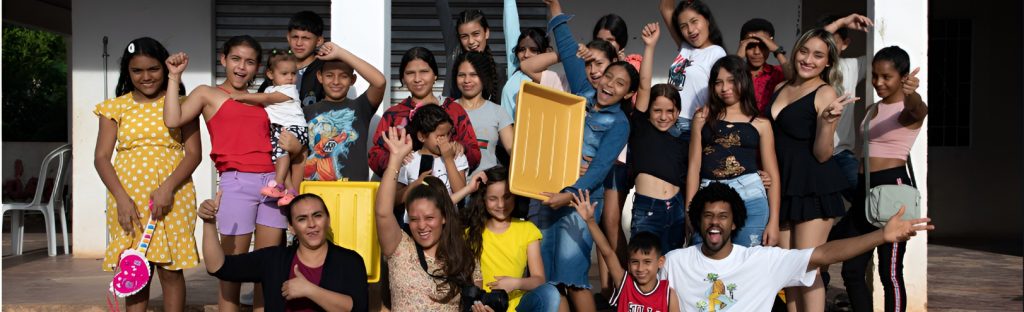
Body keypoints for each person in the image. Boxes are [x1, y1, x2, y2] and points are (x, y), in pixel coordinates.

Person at [519, 1, 636, 309]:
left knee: (573, 278)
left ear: (627, 93)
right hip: (547, 192)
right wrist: (556, 9)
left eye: (620, 84)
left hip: (579, 203)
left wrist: (568, 194)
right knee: (546, 279)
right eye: (608, 77)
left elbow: (598, 171)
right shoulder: (583, 89)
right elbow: (569, 48)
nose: (609, 85)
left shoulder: (620, 124)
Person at [661, 182, 932, 312]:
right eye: (708, 216)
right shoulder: (675, 262)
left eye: (723, 216)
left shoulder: (761, 261)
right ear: (698, 220)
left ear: (735, 223)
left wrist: (881, 236)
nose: (714, 223)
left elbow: (823, 254)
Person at [162, 36, 287, 311]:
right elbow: (173, 119)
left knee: (268, 270)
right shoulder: (207, 93)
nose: (241, 67)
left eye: (249, 62)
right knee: (231, 269)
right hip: (236, 182)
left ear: (258, 68)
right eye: (235, 59)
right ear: (223, 60)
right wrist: (174, 77)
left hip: (273, 184)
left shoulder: (264, 99)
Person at [94, 37, 200, 312]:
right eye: (137, 70)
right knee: (134, 269)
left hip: (173, 196)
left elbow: (193, 154)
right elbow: (101, 158)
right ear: (127, 72)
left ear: (164, 68)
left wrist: (167, 188)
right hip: (128, 200)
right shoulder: (114, 107)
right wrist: (121, 199)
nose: (146, 76)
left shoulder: (183, 104)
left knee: (170, 270)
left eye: (153, 68)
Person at [765, 28, 857, 312]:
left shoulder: (825, 92)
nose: (808, 60)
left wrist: (827, 123)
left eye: (818, 55)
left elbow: (823, 154)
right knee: (788, 272)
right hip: (783, 187)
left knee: (808, 269)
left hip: (813, 187)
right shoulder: (780, 88)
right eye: (804, 52)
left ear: (828, 62)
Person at [832, 46, 927, 312]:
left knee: (890, 272)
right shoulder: (872, 108)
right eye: (875, 75)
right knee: (852, 270)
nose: (878, 82)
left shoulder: (908, 108)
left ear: (903, 77)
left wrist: (912, 94)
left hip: (893, 189)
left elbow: (918, 110)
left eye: (886, 77)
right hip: (865, 190)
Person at [199, 192, 369, 311]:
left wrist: (310, 290)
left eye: (317, 215)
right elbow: (218, 267)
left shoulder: (350, 261)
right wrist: (209, 223)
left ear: (328, 220)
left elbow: (358, 308)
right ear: (291, 227)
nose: (311, 224)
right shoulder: (273, 259)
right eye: (302, 219)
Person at [375, 126, 482, 311]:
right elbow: (383, 212)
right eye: (414, 219)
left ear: (444, 217)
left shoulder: (463, 255)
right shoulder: (399, 247)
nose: (422, 225)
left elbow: (475, 302)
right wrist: (395, 160)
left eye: (429, 217)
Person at [686, 56, 781, 248]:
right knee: (706, 260)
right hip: (708, 197)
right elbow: (694, 167)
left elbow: (773, 174)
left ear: (743, 80)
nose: (725, 88)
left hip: (751, 198)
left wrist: (774, 222)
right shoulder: (702, 117)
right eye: (718, 82)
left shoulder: (761, 123)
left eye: (731, 80)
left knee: (747, 262)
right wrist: (689, 211)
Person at [454, 166, 563, 312]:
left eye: (507, 197)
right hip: (483, 307)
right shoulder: (470, 232)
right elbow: (438, 211)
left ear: (515, 196)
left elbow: (539, 280)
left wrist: (515, 283)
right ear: (483, 199)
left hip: (518, 307)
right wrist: (468, 188)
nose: (501, 205)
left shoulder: (527, 229)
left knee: (550, 293)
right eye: (493, 199)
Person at [367, 47, 481, 178]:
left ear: (435, 75)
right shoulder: (392, 115)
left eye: (424, 72)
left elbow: (475, 154)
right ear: (403, 78)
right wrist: (394, 158)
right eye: (410, 73)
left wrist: (462, 148)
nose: (417, 79)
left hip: (447, 189)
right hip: (404, 188)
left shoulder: (454, 110)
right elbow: (374, 155)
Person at [627, 23, 688, 253]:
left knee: (671, 266)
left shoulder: (682, 141)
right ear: (648, 111)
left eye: (670, 111)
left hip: (677, 210)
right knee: (643, 265)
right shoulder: (641, 128)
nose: (664, 117)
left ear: (678, 112)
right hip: (648, 209)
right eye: (657, 110)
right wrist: (650, 47)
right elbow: (644, 85)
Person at [572, 189, 680, 312]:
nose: (640, 268)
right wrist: (590, 221)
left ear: (660, 262)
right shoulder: (625, 283)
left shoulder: (668, 294)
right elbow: (607, 253)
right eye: (635, 262)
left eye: (647, 262)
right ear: (628, 263)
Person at [298, 42, 387, 182]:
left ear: (352, 79)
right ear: (320, 77)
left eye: (343, 76)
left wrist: (340, 53)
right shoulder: (305, 112)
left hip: (355, 190)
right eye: (329, 75)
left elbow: (379, 82)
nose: (336, 82)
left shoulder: (361, 107)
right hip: (314, 191)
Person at [232, 50, 307, 206]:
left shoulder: (289, 89)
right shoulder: (268, 89)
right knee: (279, 159)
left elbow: (267, 98)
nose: (290, 77)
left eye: (293, 73)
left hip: (295, 128)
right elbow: (263, 100)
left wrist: (242, 96)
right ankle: (290, 192)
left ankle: (278, 184)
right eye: (284, 73)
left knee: (281, 153)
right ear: (270, 74)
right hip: (279, 129)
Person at [819, 13, 876, 195]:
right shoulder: (808, 69)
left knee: (864, 199)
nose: (828, 49)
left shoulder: (851, 66)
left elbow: (884, 57)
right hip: (811, 153)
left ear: (845, 43)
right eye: (824, 43)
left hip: (841, 153)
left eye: (833, 43)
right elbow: (812, 42)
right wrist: (842, 22)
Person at [658, 0, 727, 138]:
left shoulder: (717, 53)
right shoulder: (685, 47)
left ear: (707, 20)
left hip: (690, 125)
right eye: (683, 26)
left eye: (694, 21)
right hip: (668, 120)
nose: (690, 30)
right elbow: (665, 7)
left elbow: (723, 90)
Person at [500, 0, 566, 118]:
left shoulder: (552, 81)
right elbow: (511, 23)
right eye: (522, 49)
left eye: (534, 50)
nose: (526, 55)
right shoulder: (516, 67)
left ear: (547, 52)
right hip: (506, 130)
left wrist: (570, 52)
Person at [455, 52, 515, 176]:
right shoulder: (447, 110)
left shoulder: (498, 112)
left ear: (484, 77)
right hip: (453, 186)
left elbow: (514, 152)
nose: (467, 80)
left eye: (473, 75)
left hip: (487, 186)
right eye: (461, 75)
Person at [396, 104, 469, 202]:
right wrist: (416, 185)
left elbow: (461, 192)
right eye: (440, 136)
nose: (445, 140)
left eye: (448, 134)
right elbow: (396, 199)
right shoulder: (409, 160)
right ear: (422, 136)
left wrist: (448, 159)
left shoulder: (456, 156)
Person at [258, 11, 326, 106]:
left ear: (319, 41)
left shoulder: (325, 68)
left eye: (305, 38)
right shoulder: (279, 65)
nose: (299, 43)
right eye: (295, 37)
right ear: (288, 38)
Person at [736, 18, 788, 113]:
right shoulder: (737, 73)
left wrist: (777, 51)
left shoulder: (778, 73)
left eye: (763, 46)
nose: (757, 52)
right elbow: (725, 80)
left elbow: (796, 79)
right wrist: (738, 57)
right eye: (751, 46)